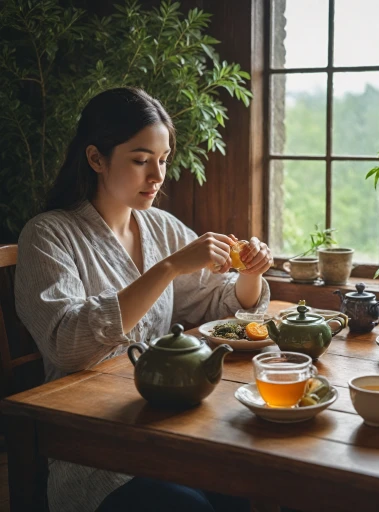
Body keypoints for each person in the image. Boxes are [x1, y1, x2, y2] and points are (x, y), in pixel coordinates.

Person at [15, 87, 273, 512]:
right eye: (140, 161)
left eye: (163, 160)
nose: (157, 176)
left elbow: (218, 306)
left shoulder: (160, 226)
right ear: (96, 158)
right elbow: (68, 344)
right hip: (92, 442)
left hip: (169, 423)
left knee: (260, 487)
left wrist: (250, 274)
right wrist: (168, 269)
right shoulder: (47, 235)